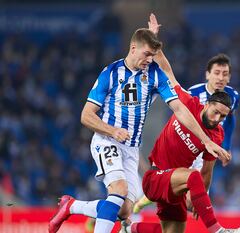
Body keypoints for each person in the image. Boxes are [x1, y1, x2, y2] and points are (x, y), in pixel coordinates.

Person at [48, 25, 229, 233]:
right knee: (119, 190)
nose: (149, 60)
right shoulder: (111, 73)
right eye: (146, 54)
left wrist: (206, 140)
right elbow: (86, 115)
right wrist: (111, 130)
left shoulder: (154, 74)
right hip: (107, 141)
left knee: (123, 210)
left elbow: (179, 108)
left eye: (152, 55)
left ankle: (71, 206)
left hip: (131, 148)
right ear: (133, 48)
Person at [123, 38, 240, 233]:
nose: (217, 118)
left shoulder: (217, 135)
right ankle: (218, 230)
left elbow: (207, 172)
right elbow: (166, 70)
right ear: (206, 104)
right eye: (215, 112)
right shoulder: (188, 102)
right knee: (192, 176)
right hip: (156, 177)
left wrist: (200, 198)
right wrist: (153, 40)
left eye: (222, 116)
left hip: (176, 186)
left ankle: (130, 229)